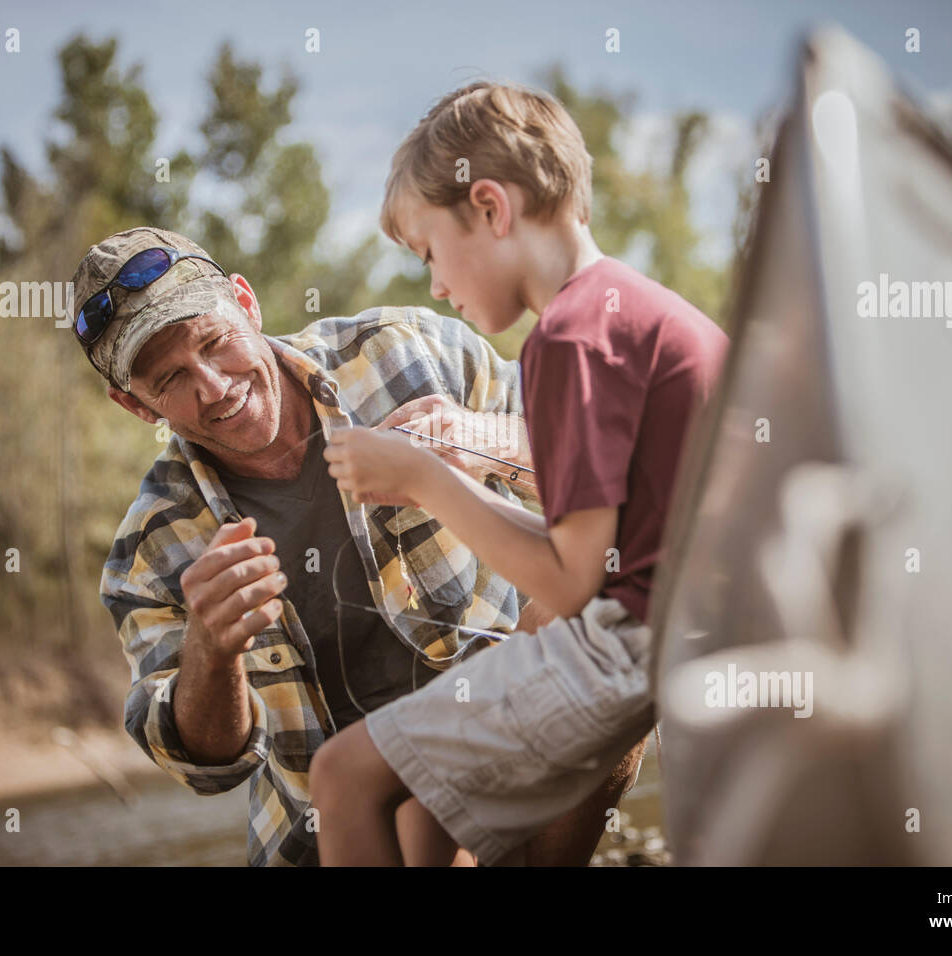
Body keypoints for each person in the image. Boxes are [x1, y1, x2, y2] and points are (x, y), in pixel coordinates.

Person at [73, 226, 644, 866]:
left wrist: (484, 441)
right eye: (171, 378)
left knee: (607, 612)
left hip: (507, 763)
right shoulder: (148, 551)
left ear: (246, 302)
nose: (213, 386)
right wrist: (212, 651)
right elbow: (208, 767)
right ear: (134, 405)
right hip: (328, 842)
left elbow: (615, 472)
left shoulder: (408, 352)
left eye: (215, 342)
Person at [313, 81, 730, 865]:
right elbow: (603, 549)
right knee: (423, 817)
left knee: (345, 778)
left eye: (432, 252)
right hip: (688, 623)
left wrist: (421, 479)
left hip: (629, 645)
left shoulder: (569, 340)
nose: (435, 286)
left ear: (491, 209)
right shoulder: (637, 309)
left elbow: (573, 581)